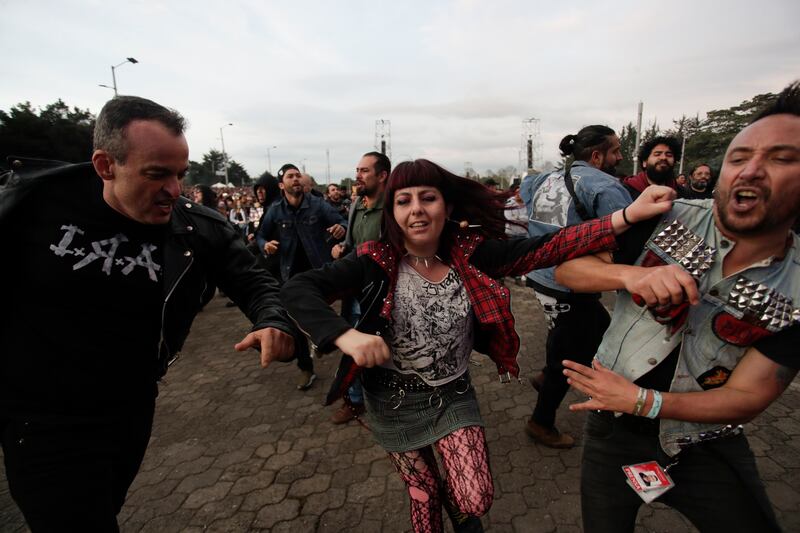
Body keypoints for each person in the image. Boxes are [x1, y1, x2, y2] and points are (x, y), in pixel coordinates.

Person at [281, 159, 674, 533]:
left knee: (472, 498)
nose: (416, 210)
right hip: (391, 401)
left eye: (427, 198)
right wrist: (345, 336)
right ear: (392, 211)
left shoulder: (473, 254)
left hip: (452, 395)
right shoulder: (373, 260)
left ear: (446, 205)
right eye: (404, 201)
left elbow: (549, 247)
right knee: (423, 495)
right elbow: (299, 288)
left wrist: (625, 217)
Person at [0, 95, 298, 532]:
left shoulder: (197, 227)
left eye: (180, 174)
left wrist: (272, 319)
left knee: (102, 506)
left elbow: (254, 281)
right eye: (157, 174)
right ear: (106, 165)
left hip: (131, 408)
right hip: (41, 417)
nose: (174, 190)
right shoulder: (31, 206)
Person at [554, 81, 800, 533]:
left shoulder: (798, 286)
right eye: (740, 156)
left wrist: (643, 401)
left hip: (703, 441)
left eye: (782, 158)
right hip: (611, 426)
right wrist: (631, 274)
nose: (749, 171)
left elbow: (747, 397)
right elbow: (568, 270)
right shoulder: (665, 215)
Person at [519, 125, 631, 448]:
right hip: (569, 283)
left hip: (540, 276)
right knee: (566, 357)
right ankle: (540, 422)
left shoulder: (543, 179)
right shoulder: (605, 186)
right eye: (616, 151)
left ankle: (549, 376)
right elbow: (626, 238)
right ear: (597, 156)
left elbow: (525, 190)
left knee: (599, 328)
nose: (621, 157)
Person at [256, 163, 346, 390]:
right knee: (293, 321)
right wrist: (265, 244)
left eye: (298, 175)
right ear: (281, 184)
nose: (296, 179)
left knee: (320, 314)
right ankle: (306, 367)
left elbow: (344, 223)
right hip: (289, 275)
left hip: (318, 272)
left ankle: (324, 342)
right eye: (290, 176)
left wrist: (340, 229)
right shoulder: (275, 210)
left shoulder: (317, 205)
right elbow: (260, 235)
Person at [329, 151, 391, 424]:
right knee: (353, 348)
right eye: (357, 170)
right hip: (356, 292)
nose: (358, 175)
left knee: (386, 349)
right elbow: (354, 246)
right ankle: (354, 402)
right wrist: (342, 249)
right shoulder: (357, 204)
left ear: (382, 175)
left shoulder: (394, 209)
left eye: (364, 170)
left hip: (384, 294)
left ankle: (392, 402)